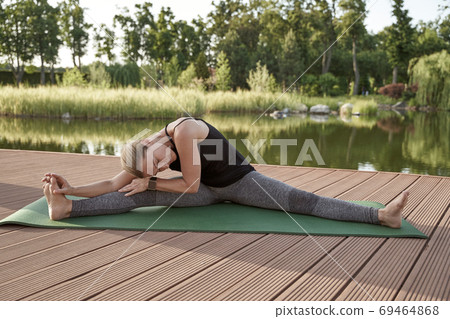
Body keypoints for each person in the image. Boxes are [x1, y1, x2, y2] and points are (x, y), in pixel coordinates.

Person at [42, 117, 409, 228]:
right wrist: (72, 191)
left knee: (302, 201)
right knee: (137, 194)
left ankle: (380, 215)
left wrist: (152, 179)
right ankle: (67, 212)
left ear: (150, 144)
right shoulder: (144, 156)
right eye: (154, 168)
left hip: (240, 182)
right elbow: (111, 182)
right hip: (203, 192)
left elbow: (191, 182)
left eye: (157, 162)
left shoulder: (182, 131)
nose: (160, 166)